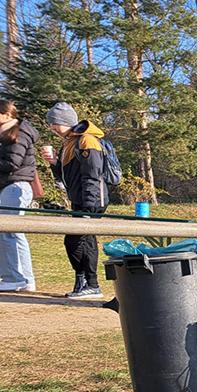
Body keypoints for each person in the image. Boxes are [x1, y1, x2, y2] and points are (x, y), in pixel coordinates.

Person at [43, 102, 108, 298]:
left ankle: (91, 284)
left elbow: (92, 176)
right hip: (79, 199)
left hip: (91, 200)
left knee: (80, 241)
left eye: (54, 123)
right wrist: (54, 163)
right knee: (77, 241)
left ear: (65, 121)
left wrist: (89, 207)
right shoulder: (69, 142)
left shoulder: (87, 141)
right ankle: (83, 281)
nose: (52, 128)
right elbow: (67, 177)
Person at [0, 99, 39, 292]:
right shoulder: (6, 133)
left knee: (8, 231)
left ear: (7, 114)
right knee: (13, 232)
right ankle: (25, 279)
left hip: (15, 186)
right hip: (11, 185)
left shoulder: (19, 133)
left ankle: (14, 278)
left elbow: (12, 163)